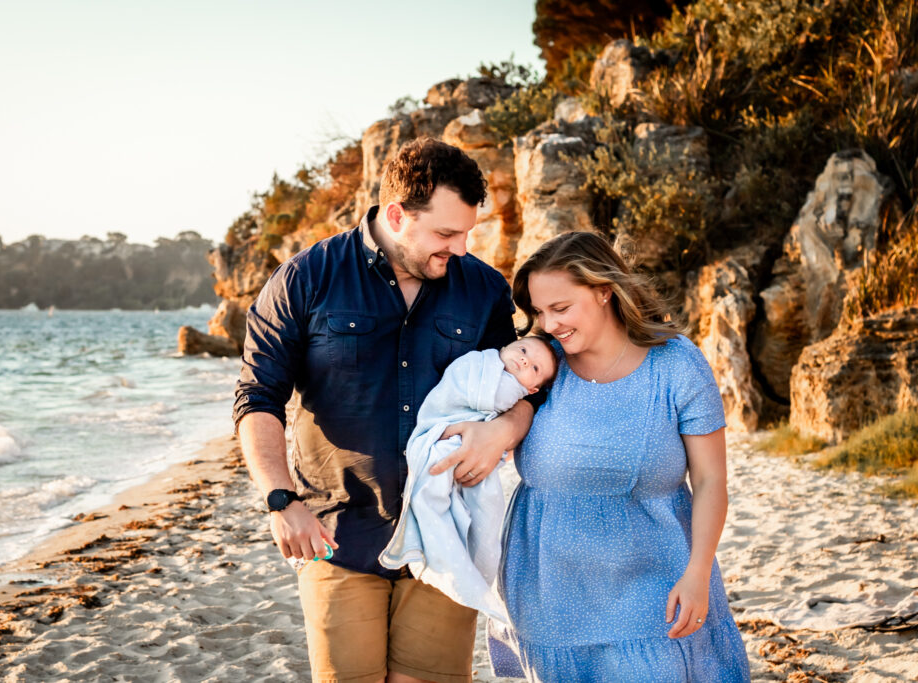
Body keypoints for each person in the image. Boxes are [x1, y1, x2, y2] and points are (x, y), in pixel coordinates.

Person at [233, 137, 536, 683]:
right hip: (339, 538)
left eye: (467, 232)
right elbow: (258, 398)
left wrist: (503, 434)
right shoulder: (305, 279)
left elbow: (520, 389)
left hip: (446, 533)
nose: (461, 248)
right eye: (446, 234)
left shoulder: (485, 290)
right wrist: (281, 500)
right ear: (396, 214)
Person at [489, 231, 750, 682]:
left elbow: (710, 481)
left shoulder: (676, 364)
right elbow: (480, 410)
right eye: (539, 311)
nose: (549, 324)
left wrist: (698, 572)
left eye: (561, 308)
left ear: (605, 290)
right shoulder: (538, 365)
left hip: (655, 583)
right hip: (548, 592)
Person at [380, 336, 557, 621]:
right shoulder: (477, 364)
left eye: (534, 367)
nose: (525, 360)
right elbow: (471, 392)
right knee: (434, 482)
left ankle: (472, 569)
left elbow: (502, 405)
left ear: (532, 389)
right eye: (523, 350)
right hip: (441, 433)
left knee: (487, 506)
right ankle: (436, 545)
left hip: (472, 446)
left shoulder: (517, 392)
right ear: (505, 348)